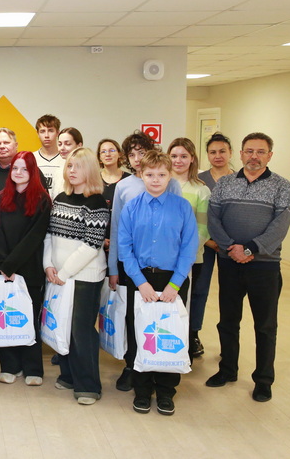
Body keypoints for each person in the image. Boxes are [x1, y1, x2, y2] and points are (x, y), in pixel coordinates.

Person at [205, 132, 290, 403]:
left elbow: (280, 226)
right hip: (229, 263)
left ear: (270, 155)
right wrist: (230, 247)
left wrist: (249, 249)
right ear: (241, 154)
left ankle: (263, 380)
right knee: (228, 321)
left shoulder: (282, 186)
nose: (254, 156)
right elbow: (213, 219)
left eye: (260, 151)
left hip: (264, 266)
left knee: (265, 326)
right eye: (250, 151)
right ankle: (227, 370)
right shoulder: (225, 184)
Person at [118, 150, 197, 416]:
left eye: (161, 174)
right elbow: (125, 249)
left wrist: (175, 285)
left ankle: (165, 390)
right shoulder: (131, 208)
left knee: (170, 333)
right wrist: (140, 283)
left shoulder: (182, 207)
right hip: (140, 279)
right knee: (140, 333)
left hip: (173, 279)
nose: (155, 179)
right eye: (150, 174)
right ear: (141, 174)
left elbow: (189, 248)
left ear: (169, 175)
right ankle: (142, 390)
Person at [108, 131, 182, 392]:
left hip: (165, 268)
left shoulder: (170, 184)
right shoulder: (124, 187)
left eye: (142, 152)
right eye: (132, 154)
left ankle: (160, 369)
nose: (137, 158)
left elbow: (179, 229)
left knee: (160, 320)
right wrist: (113, 267)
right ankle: (132, 366)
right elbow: (117, 229)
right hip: (132, 267)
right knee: (133, 319)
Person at [44, 147, 109, 405]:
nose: (71, 171)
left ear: (90, 170)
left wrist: (64, 272)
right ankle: (69, 376)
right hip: (59, 276)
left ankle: (89, 386)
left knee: (81, 331)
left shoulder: (96, 203)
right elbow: (49, 234)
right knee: (63, 326)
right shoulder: (61, 198)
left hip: (85, 277)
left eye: (78, 167)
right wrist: (48, 265)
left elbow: (91, 245)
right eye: (69, 166)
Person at [0, 151, 51, 386]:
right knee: (6, 317)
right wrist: (4, 265)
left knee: (28, 319)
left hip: (29, 270)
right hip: (2, 269)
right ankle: (10, 366)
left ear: (33, 171)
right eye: (15, 168)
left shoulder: (43, 200)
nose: (18, 172)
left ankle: (33, 368)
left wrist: (12, 265)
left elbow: (34, 237)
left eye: (24, 169)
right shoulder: (1, 196)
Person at [168, 137, 211, 359]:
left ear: (192, 159)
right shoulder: (161, 184)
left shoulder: (201, 190)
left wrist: (184, 255)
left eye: (184, 156)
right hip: (163, 259)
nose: (178, 160)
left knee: (186, 303)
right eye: (174, 156)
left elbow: (203, 229)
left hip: (190, 259)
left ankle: (185, 345)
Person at [194, 132, 235, 357]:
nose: (217, 156)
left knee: (230, 294)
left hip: (232, 246)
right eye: (212, 152)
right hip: (206, 244)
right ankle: (194, 334)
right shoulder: (199, 179)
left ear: (230, 153)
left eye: (222, 151)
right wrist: (209, 241)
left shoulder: (240, 179)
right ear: (207, 155)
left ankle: (228, 343)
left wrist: (228, 243)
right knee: (199, 289)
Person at [34, 114, 62, 198]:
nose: (46, 135)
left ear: (58, 133)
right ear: (37, 133)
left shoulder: (67, 159)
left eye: (50, 131)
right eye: (42, 131)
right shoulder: (31, 158)